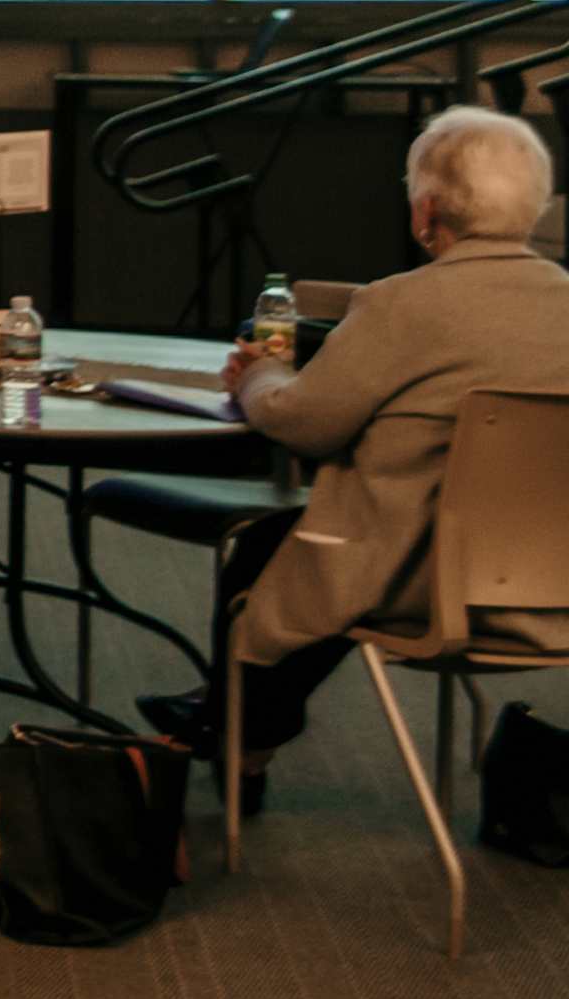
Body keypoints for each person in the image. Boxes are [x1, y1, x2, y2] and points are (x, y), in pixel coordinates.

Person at [141, 107, 569, 783]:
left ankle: (238, 745)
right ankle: (226, 726)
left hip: (426, 584)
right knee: (306, 549)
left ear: (428, 212)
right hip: (553, 586)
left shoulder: (402, 304)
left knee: (274, 548)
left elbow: (304, 422)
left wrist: (260, 376)